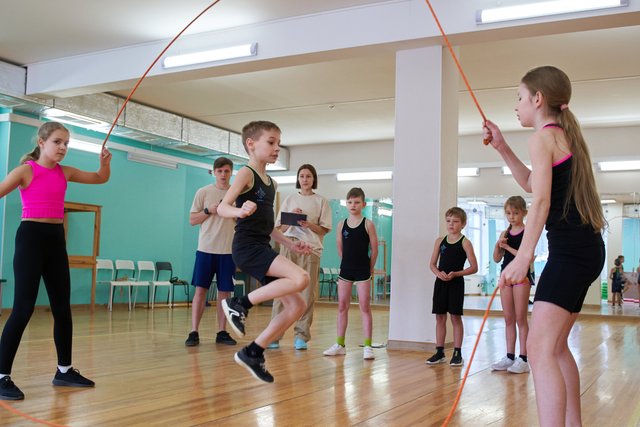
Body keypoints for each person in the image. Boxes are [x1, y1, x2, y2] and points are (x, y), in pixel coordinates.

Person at [483, 65, 606, 426]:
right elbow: (531, 184)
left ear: (538, 99)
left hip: (571, 253)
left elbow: (540, 204)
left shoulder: (543, 138)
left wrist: (523, 258)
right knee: (554, 347)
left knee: (538, 349)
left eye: (520, 98)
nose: (517, 105)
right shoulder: (557, 137)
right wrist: (502, 146)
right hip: (585, 250)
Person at [0, 122, 111, 400]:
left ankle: (64, 370)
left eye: (66, 143)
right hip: (30, 238)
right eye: (57, 142)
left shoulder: (66, 172)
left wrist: (105, 163)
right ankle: (1, 376)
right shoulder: (26, 170)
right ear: (42, 142)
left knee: (62, 308)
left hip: (55, 240)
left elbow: (100, 179)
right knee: (23, 308)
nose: (63, 148)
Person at [217, 120, 310, 383]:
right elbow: (223, 207)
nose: (276, 148)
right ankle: (238, 303)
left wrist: (290, 243)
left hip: (261, 245)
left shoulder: (272, 183)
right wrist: (239, 210)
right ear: (251, 144)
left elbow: (267, 226)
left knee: (297, 305)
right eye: (271, 142)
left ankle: (253, 351)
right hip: (246, 248)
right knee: (301, 278)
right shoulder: (246, 174)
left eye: (278, 143)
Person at [268, 164, 331, 350]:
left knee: (306, 293)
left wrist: (308, 224)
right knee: (281, 291)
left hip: (310, 249)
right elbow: (281, 229)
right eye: (302, 176)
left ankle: (301, 336)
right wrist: (291, 219)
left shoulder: (321, 201)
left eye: (308, 176)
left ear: (313, 179)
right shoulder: (289, 199)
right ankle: (274, 334)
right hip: (289, 247)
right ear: (298, 179)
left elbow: (324, 230)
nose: (305, 179)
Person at [185, 157, 237, 347]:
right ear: (214, 172)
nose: (223, 174)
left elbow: (241, 220)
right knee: (200, 290)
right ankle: (193, 332)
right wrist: (210, 210)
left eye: (227, 171)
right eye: (220, 171)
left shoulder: (236, 194)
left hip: (228, 252)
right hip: (206, 249)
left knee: (225, 292)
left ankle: (222, 332)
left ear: (231, 173)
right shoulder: (203, 192)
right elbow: (192, 220)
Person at [323, 187, 379, 360]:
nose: (353, 205)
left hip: (363, 270)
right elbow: (340, 249)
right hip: (346, 269)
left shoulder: (368, 224)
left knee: (364, 306)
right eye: (349, 202)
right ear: (346, 204)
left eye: (356, 202)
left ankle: (368, 346)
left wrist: (369, 269)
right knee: (342, 306)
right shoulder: (341, 224)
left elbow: (374, 249)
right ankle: (340, 344)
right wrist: (347, 264)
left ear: (363, 204)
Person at [425, 207, 478, 367]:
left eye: (455, 222)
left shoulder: (465, 243)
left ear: (463, 224)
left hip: (456, 283)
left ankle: (457, 352)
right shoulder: (439, 241)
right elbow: (432, 264)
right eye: (448, 221)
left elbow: (474, 267)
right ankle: (440, 351)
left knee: (455, 317)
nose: (451, 224)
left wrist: (456, 274)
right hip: (441, 283)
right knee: (440, 317)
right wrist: (438, 273)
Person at [491, 196, 532, 374]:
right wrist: (498, 245)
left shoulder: (528, 232)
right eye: (508, 213)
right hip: (505, 277)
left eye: (515, 213)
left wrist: (507, 248)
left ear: (524, 212)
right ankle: (509, 356)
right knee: (509, 319)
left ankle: (523, 358)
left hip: (521, 277)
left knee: (521, 318)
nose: (512, 217)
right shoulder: (504, 233)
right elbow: (497, 258)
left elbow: (525, 257)